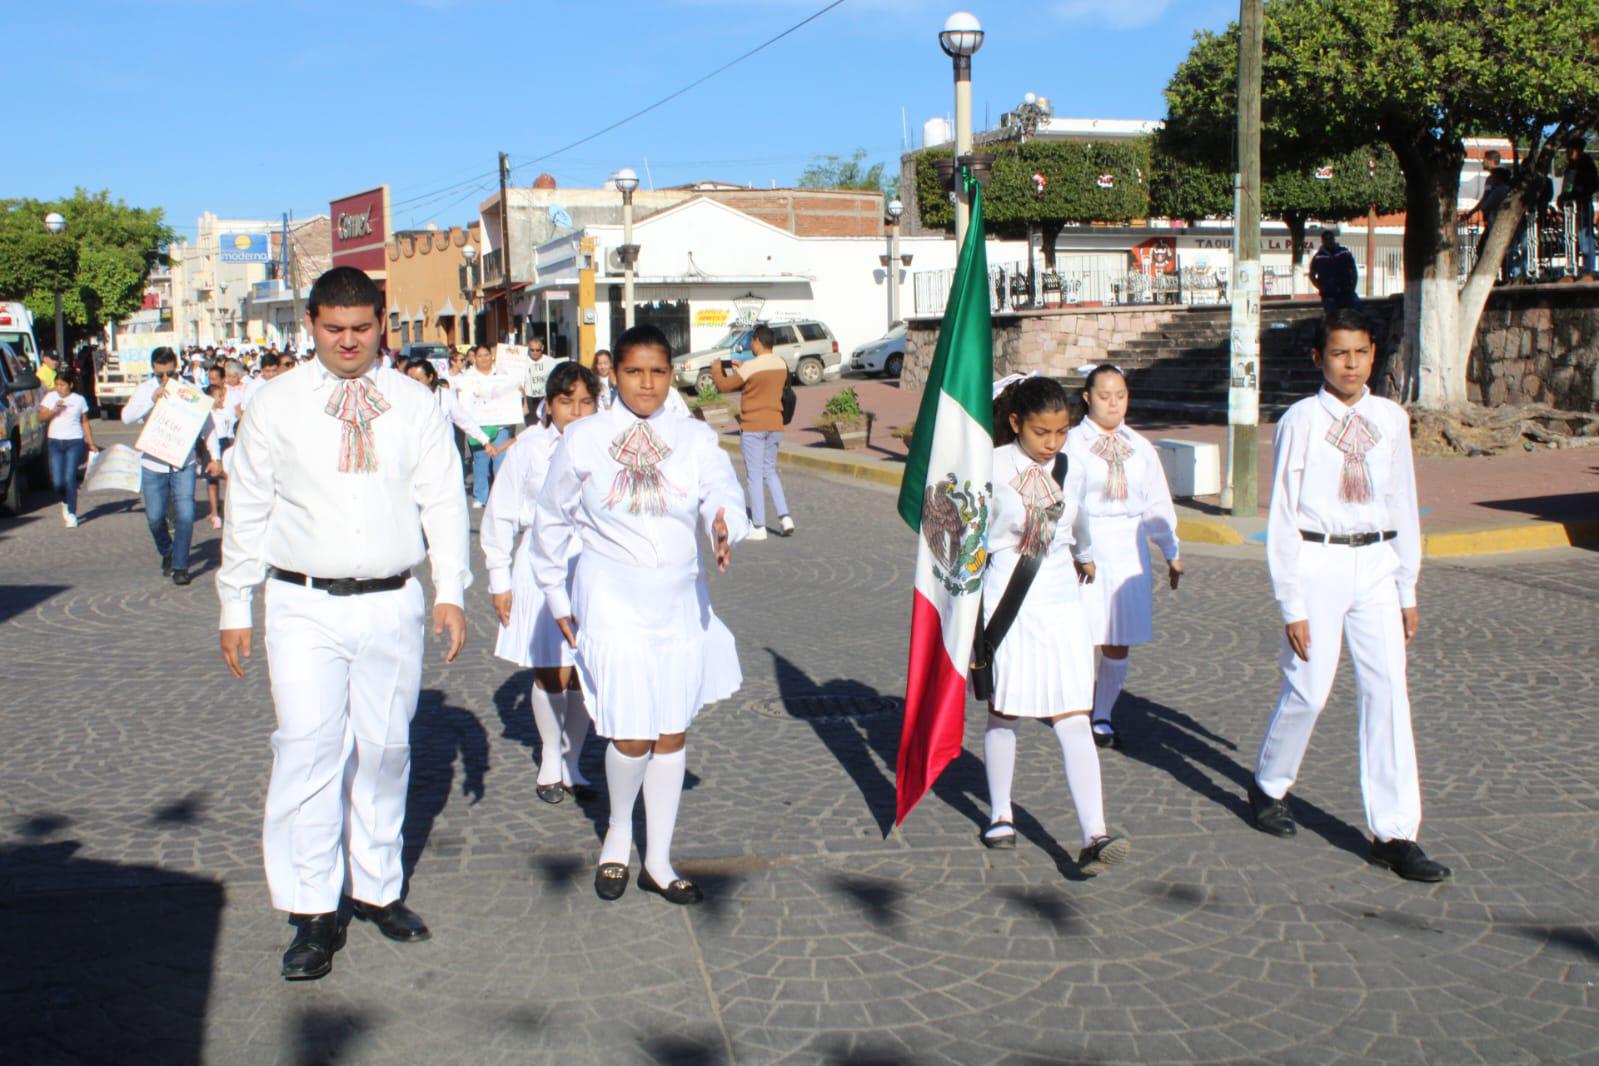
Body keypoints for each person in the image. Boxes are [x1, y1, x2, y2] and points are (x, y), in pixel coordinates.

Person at [217, 266, 471, 980]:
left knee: (386, 748)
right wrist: (234, 603)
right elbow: (248, 509)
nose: (350, 342)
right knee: (306, 747)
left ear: (382, 324)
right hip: (301, 602)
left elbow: (443, 500)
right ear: (311, 324)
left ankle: (377, 887)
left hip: (392, 599)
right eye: (335, 329)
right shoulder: (274, 403)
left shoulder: (415, 402)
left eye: (363, 328)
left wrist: (450, 589)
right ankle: (310, 910)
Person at [532, 324, 749, 905]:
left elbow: (720, 490)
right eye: (633, 371)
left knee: (671, 732)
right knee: (631, 735)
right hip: (611, 598)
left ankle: (658, 857)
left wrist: (724, 522)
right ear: (614, 374)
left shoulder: (694, 437)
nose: (646, 383)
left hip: (679, 602)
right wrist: (556, 599)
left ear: (671, 374)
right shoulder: (583, 438)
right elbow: (550, 521)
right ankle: (617, 831)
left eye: (658, 371)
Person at [1249, 308, 1448, 883]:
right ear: (1319, 358)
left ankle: (1395, 832)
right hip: (1320, 562)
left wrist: (1406, 582)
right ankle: (1268, 783)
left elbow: (1403, 502)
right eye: (1339, 353)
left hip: (1378, 565)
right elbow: (1284, 515)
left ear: (1373, 356)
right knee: (1310, 688)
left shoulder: (1391, 419)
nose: (1352, 364)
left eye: (1361, 352)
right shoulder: (1301, 420)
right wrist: (1293, 602)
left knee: (1387, 693)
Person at [977, 374, 1128, 875]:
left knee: (1073, 715)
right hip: (1009, 597)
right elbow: (970, 533)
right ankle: (1001, 813)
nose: (1053, 443)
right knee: (1005, 710)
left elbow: (1080, 522)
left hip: (1063, 599)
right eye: (1042, 432)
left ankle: (1094, 833)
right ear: (1016, 423)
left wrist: (1085, 557)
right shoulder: (990, 465)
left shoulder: (1073, 467)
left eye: (1062, 431)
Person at [483, 360, 601, 803]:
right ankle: (551, 756)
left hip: (591, 563)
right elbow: (501, 513)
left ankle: (574, 762)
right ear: (548, 406)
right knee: (551, 669)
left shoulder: (607, 446)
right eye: (566, 401)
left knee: (584, 673)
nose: (575, 411)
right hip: (539, 563)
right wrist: (499, 578)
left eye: (586, 402)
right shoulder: (529, 449)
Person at [1067, 365, 1182, 750]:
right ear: (1087, 397)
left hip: (1129, 548)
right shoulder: (1072, 443)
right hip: (1086, 544)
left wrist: (1171, 550)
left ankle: (1103, 714)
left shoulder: (1140, 447)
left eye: (1120, 395)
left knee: (1118, 637)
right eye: (1104, 396)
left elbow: (1157, 502)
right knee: (1082, 633)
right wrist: (1072, 549)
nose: (1113, 404)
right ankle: (1074, 709)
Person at [123, 348, 222, 585]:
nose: (165, 379)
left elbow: (207, 425)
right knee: (155, 518)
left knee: (186, 515)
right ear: (153, 371)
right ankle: (167, 552)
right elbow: (126, 417)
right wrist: (152, 400)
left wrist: (214, 457)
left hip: (183, 463)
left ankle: (181, 565)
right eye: (159, 374)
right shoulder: (145, 390)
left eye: (169, 373)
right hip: (152, 463)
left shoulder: (190, 390)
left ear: (176, 368)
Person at [709, 323, 793, 541]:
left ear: (757, 340)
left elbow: (725, 386)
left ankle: (759, 526)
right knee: (770, 471)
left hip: (753, 424)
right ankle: (785, 517)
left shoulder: (751, 366)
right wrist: (743, 366)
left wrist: (717, 369)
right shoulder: (781, 364)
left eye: (751, 341)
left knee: (754, 476)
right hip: (775, 423)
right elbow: (761, 377)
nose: (750, 344)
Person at [457, 344, 520, 508]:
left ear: (492, 356)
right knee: (481, 462)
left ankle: (500, 496)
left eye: (487, 355)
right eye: (480, 355)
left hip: (501, 425)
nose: (484, 358)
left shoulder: (503, 373)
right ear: (474, 358)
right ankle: (481, 495)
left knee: (501, 461)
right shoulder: (467, 376)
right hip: (480, 427)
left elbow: (515, 389)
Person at [40, 370, 98, 527]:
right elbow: (41, 417)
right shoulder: (51, 397)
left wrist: (90, 442)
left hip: (74, 441)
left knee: (69, 476)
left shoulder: (79, 400)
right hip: (55, 441)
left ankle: (72, 513)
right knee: (58, 481)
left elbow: (84, 422)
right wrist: (54, 410)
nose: (59, 388)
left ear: (70, 385)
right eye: (57, 384)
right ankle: (64, 501)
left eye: (62, 385)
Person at [1558, 137, 1597, 278]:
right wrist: (1562, 198)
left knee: (1584, 238)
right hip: (1569, 208)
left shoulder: (1587, 164)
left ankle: (1589, 269)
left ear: (1577, 149)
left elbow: (1593, 185)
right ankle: (1571, 268)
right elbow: (1567, 186)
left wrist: (1578, 192)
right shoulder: (1570, 166)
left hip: (1582, 206)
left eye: (1570, 149)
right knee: (1570, 238)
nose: (1567, 152)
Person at [1309, 229, 1360, 311]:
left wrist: (1353, 287)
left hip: (1346, 292)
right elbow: (1311, 275)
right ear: (1322, 241)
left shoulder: (1344, 252)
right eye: (1326, 239)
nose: (1329, 241)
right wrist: (1321, 288)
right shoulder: (1318, 257)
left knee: (1356, 312)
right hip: (1329, 294)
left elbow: (1353, 270)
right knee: (1332, 317)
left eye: (1331, 238)